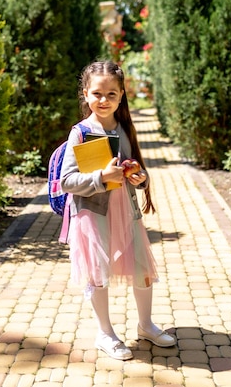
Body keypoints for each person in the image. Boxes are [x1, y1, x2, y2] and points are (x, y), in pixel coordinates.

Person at [60, 61, 176, 360]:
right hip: (92, 213)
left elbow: (133, 166)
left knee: (142, 268)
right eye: (97, 93)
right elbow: (67, 181)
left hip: (126, 210)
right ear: (85, 94)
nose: (104, 100)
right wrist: (101, 178)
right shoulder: (81, 133)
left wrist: (139, 177)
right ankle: (105, 333)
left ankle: (146, 325)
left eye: (111, 94)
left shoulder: (123, 128)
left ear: (122, 95)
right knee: (97, 273)